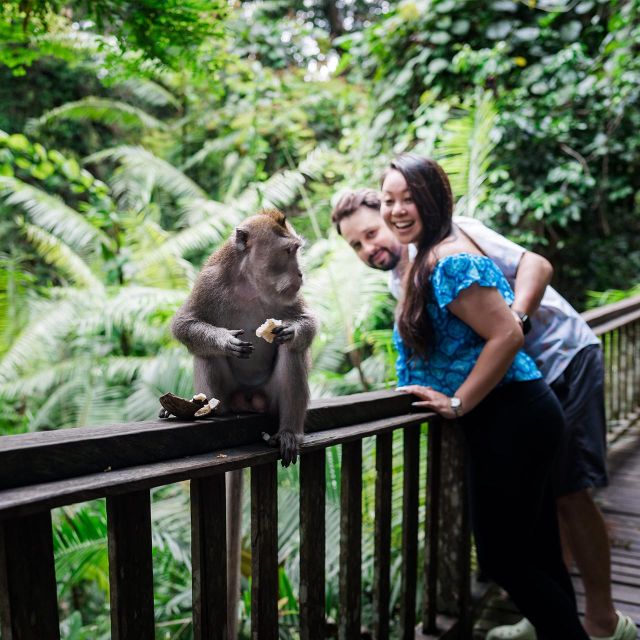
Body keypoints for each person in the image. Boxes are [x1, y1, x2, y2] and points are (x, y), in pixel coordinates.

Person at [331, 182, 636, 640]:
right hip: (511, 383)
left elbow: (535, 265)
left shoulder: (455, 238)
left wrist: (514, 320)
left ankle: (605, 622)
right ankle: (548, 618)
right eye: (357, 244)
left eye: (372, 233)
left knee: (568, 492)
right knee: (537, 520)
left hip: (559, 359)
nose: (369, 247)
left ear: (395, 216)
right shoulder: (403, 275)